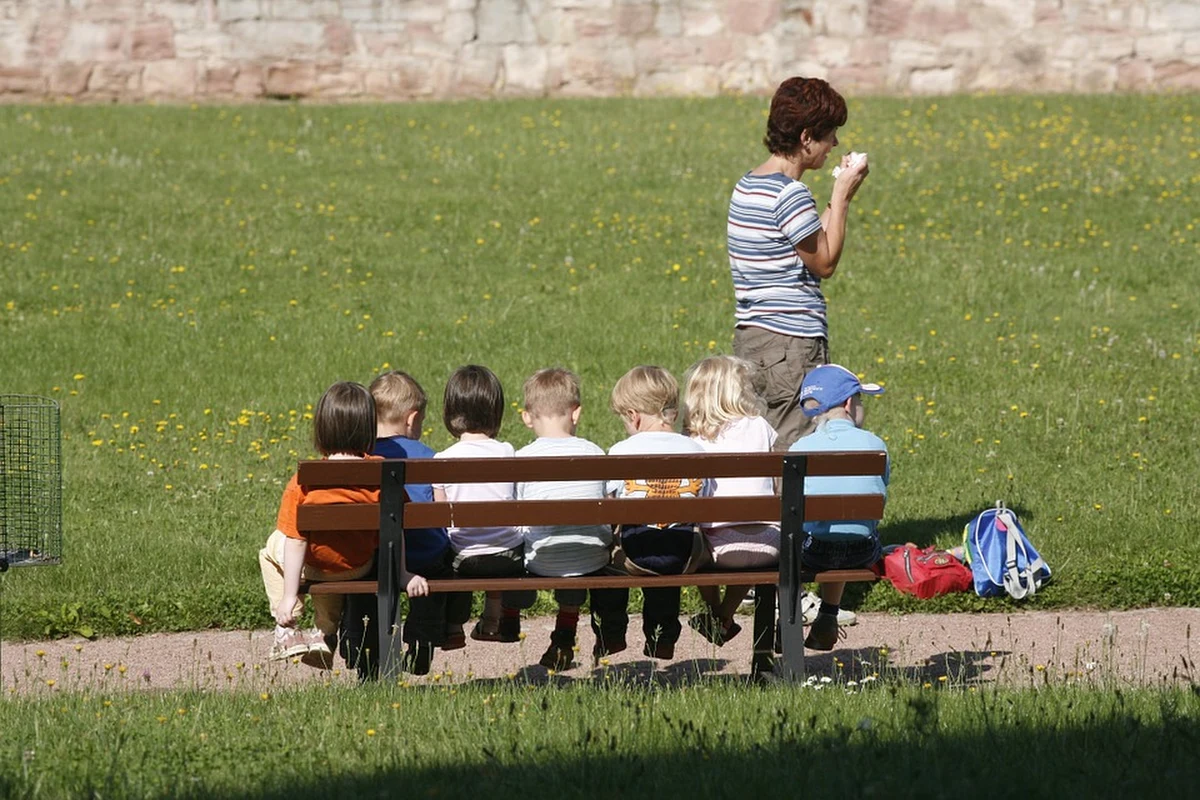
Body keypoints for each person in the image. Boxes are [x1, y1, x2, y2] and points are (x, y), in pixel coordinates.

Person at [728, 76, 870, 450]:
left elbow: (807, 244)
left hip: (754, 339)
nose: (834, 144)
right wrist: (841, 197)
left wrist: (831, 201)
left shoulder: (749, 184)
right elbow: (823, 262)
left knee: (761, 442)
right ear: (806, 137)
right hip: (791, 342)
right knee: (791, 450)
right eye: (829, 135)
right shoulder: (789, 194)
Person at [259, 381, 428, 669]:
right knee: (331, 556)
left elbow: (296, 540)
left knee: (271, 549)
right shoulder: (384, 475)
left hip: (317, 566)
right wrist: (403, 573)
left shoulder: (306, 479)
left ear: (321, 429)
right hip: (357, 565)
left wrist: (290, 597)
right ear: (367, 428)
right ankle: (325, 632)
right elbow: (396, 527)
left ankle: (286, 627)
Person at [606, 366, 712, 661]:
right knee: (670, 540)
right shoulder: (695, 449)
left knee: (611, 557)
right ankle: (663, 635)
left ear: (633, 416)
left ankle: (611, 631)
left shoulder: (620, 451)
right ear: (674, 413)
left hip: (634, 554)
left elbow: (610, 504)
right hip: (685, 553)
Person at [513, 367, 615, 671]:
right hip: (591, 558)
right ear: (576, 413)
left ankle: (504, 618)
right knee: (577, 545)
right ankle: (565, 636)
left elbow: (516, 517)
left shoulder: (520, 458)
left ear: (527, 417)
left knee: (537, 540)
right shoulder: (595, 453)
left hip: (541, 561)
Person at [432, 365, 535, 649]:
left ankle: (453, 627)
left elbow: (442, 522)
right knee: (502, 540)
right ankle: (492, 618)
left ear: (450, 412)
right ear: (495, 412)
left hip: (462, 558)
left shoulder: (441, 459)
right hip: (508, 557)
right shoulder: (507, 452)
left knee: (453, 548)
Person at [788, 364, 888, 651]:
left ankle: (785, 626)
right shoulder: (875, 445)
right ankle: (829, 613)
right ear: (847, 403)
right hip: (862, 550)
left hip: (813, 552)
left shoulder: (799, 448)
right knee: (847, 528)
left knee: (804, 534)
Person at [681, 355, 780, 646]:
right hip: (769, 546)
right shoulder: (760, 425)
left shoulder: (693, 438)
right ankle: (724, 615)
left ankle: (716, 614)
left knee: (694, 538)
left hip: (719, 550)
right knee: (751, 540)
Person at [367, 370, 451, 675]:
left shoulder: (363, 457)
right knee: (436, 559)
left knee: (372, 574)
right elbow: (443, 515)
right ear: (412, 419)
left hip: (375, 556)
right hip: (425, 555)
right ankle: (424, 637)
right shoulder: (430, 457)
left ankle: (363, 644)